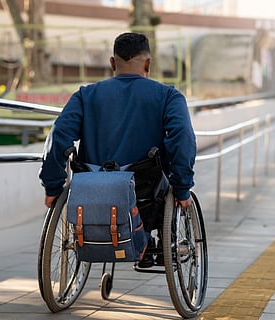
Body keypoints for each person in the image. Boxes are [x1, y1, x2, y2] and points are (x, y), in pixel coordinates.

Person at [39, 32, 196, 266]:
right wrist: (182, 187)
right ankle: (147, 243)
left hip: (91, 186)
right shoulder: (168, 96)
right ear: (148, 63)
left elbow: (59, 135)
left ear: (112, 63)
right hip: (145, 191)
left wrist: (53, 184)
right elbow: (182, 137)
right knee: (164, 182)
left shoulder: (85, 95)